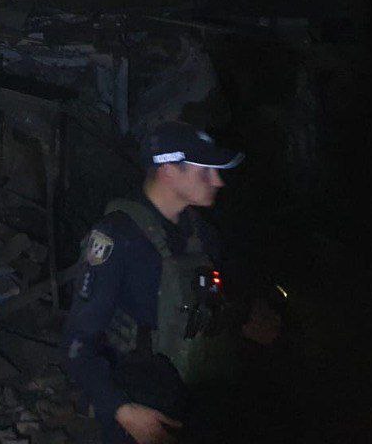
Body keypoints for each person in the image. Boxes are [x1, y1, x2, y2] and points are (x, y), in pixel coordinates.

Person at [63, 123, 242, 444]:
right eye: (205, 171)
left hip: (199, 397)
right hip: (141, 403)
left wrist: (243, 317)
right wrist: (120, 409)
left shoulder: (203, 235)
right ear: (169, 171)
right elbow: (78, 342)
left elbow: (213, 307)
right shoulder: (118, 236)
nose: (218, 181)